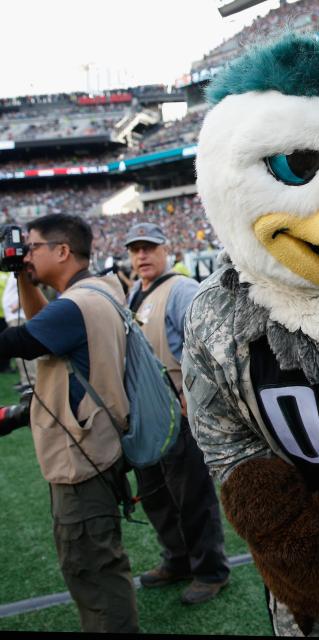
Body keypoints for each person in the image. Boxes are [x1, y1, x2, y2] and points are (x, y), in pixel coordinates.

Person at [0, 214, 138, 632]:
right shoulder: (96, 291)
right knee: (99, 563)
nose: (27, 254)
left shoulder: (77, 304)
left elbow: (14, 343)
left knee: (91, 569)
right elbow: (46, 330)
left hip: (82, 460)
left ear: (62, 251)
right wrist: (24, 279)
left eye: (33, 247)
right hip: (98, 448)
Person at [124, 222, 230, 604]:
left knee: (191, 496)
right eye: (135, 249)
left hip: (178, 412)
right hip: (147, 416)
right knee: (156, 495)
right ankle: (178, 559)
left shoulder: (181, 288)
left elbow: (205, 341)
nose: (142, 256)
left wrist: (194, 394)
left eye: (148, 248)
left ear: (165, 249)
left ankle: (211, 570)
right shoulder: (135, 291)